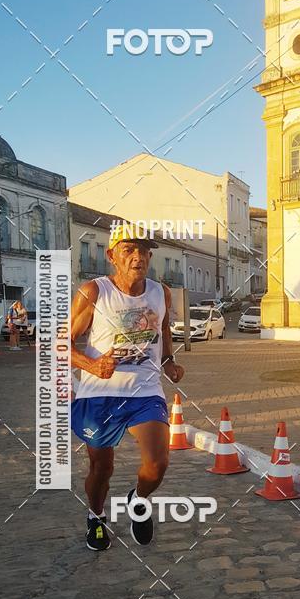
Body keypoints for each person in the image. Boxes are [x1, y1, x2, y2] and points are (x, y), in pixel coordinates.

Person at [70, 224, 184, 551]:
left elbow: (163, 336)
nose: (138, 257)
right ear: (111, 256)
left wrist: (170, 363)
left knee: (158, 463)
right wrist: (91, 365)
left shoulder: (160, 292)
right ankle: (96, 515)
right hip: (99, 395)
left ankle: (138, 499)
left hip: (144, 392)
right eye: (129, 250)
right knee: (101, 467)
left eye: (144, 251)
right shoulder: (94, 292)